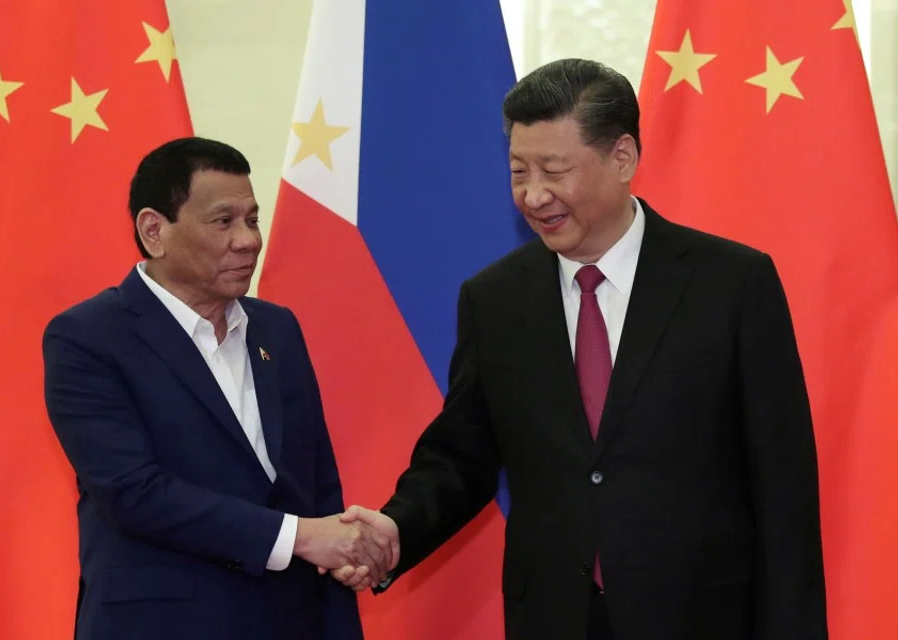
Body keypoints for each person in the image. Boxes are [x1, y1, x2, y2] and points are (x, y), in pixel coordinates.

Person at [333, 59, 829, 639]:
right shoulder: (495, 300)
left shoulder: (731, 284)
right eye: (519, 171)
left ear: (622, 157)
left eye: (554, 169)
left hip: (704, 616)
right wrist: (396, 528)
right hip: (555, 617)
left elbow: (783, 485)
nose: (533, 194)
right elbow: (461, 456)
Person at [42, 137, 385, 640]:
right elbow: (133, 493)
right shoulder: (89, 337)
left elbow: (314, 485)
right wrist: (300, 537)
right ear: (154, 230)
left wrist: (344, 556)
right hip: (164, 623)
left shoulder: (277, 328)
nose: (248, 240)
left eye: (252, 219)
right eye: (224, 222)